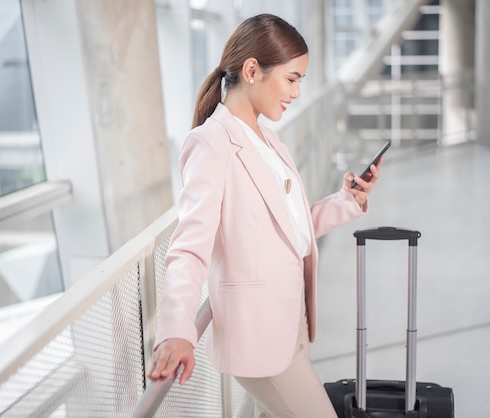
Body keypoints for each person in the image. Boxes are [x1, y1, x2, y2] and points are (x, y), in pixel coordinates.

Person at [147, 13, 382, 417]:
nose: (296, 92)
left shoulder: (269, 141)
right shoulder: (210, 143)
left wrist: (347, 201)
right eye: (292, 79)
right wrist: (176, 330)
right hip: (258, 339)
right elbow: (189, 249)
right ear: (252, 70)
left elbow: (290, 228)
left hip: (290, 322)